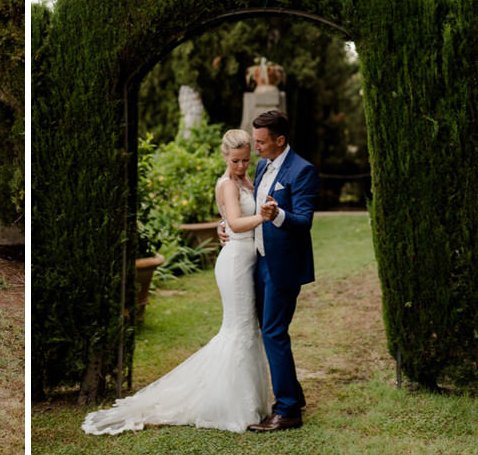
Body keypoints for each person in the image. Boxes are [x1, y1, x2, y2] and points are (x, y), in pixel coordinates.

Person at [82, 129, 271, 435]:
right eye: (235, 160)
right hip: (235, 262)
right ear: (224, 156)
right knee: (238, 329)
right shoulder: (226, 185)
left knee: (249, 329)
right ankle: (232, 405)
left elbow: (230, 219)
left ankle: (252, 403)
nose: (241, 166)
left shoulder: (248, 179)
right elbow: (235, 222)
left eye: (246, 160)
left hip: (251, 259)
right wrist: (261, 217)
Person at [220, 109, 318, 432]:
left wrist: (277, 215)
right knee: (269, 329)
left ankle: (288, 409)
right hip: (259, 261)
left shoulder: (302, 171)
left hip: (284, 266)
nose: (256, 148)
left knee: (273, 332)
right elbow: (243, 206)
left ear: (280, 140)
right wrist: (226, 226)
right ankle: (294, 394)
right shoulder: (261, 167)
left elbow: (303, 223)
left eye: (261, 142)